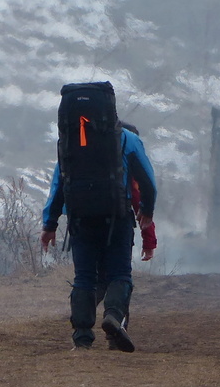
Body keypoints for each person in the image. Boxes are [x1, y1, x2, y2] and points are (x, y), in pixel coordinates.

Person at [40, 120, 157, 351]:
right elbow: (147, 182)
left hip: (80, 219)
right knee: (119, 274)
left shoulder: (71, 141)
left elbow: (59, 184)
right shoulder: (128, 139)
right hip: (117, 217)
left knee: (84, 277)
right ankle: (113, 316)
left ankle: (82, 338)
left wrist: (50, 224)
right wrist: (148, 211)